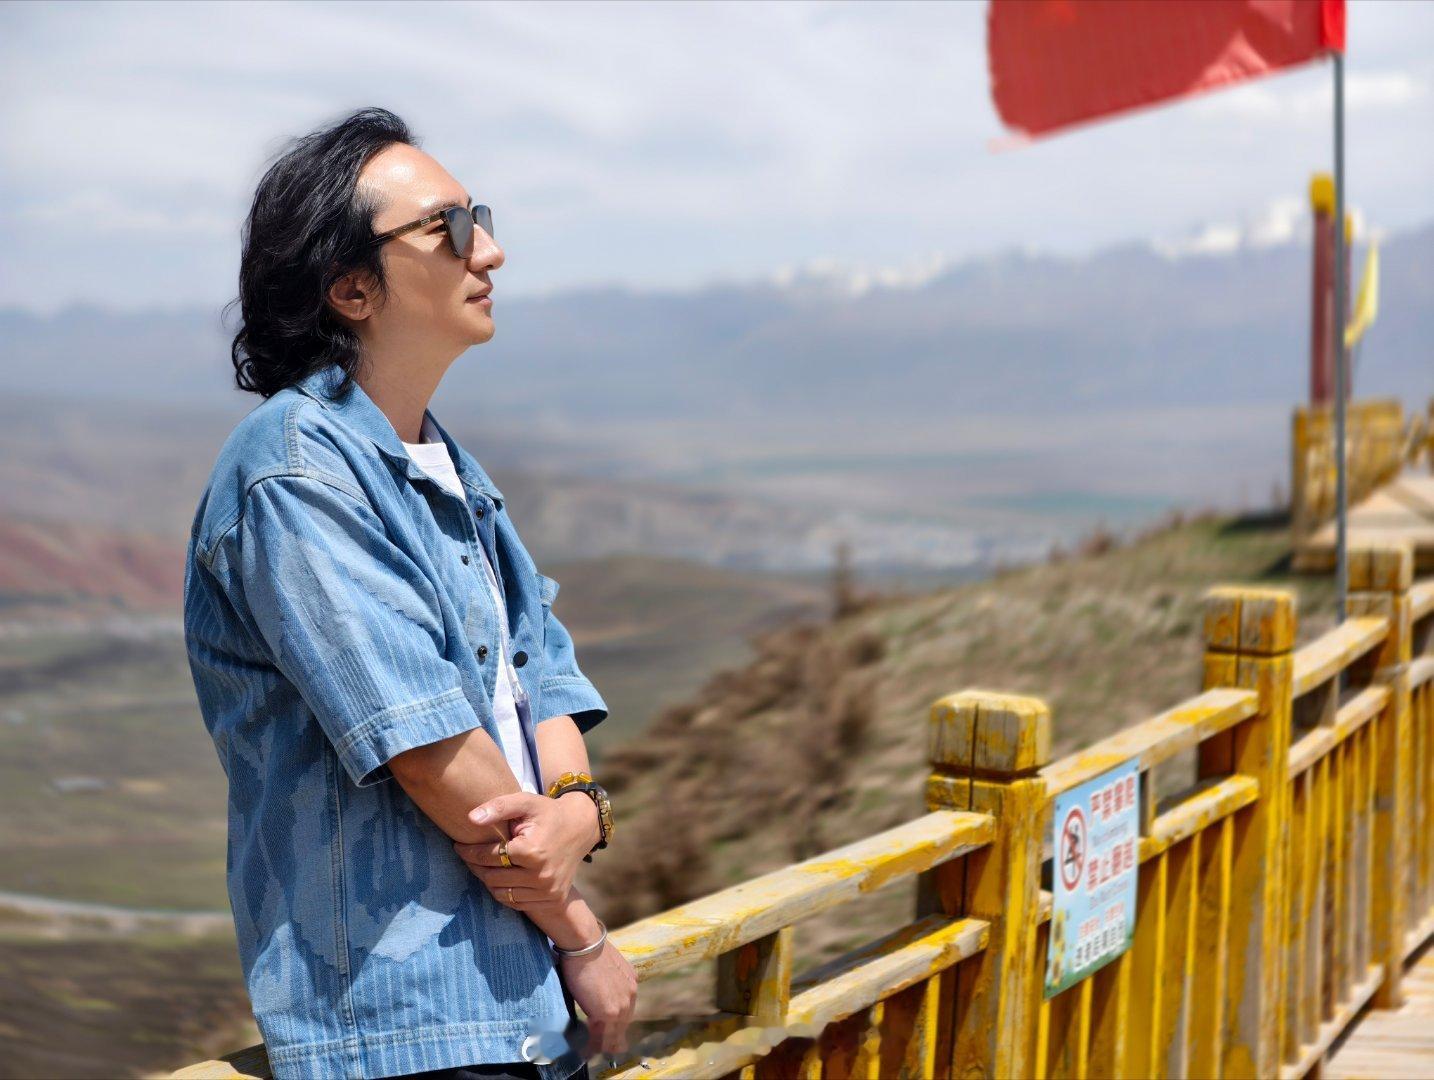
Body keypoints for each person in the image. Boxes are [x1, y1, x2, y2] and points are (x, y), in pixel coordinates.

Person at [183, 106, 636, 1080]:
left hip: (515, 1005)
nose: (490, 251)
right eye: (449, 228)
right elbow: (431, 752)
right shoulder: (296, 473)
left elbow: (541, 674)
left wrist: (580, 810)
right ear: (352, 288)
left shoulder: (449, 467)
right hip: (402, 1023)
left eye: (482, 219)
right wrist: (582, 932)